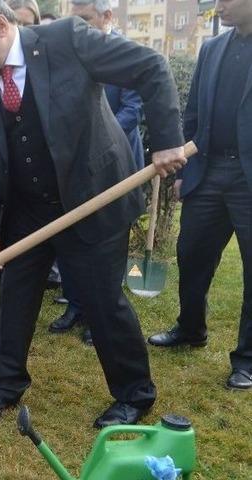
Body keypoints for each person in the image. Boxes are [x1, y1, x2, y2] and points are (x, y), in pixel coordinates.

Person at [0, 0, 186, 427]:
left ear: (1, 26)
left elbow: (150, 66)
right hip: (28, 208)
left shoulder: (66, 40)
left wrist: (167, 139)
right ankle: (4, 386)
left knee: (102, 300)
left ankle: (134, 393)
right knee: (15, 297)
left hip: (90, 197)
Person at [148, 0, 252, 391]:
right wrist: (185, 171)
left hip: (248, 178)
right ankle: (190, 329)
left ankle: (247, 359)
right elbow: (192, 114)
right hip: (208, 170)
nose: (217, 6)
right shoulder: (212, 49)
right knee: (191, 254)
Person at [51, 0, 147, 345]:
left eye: (85, 19)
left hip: (115, 167)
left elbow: (133, 110)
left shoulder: (124, 52)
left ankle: (101, 315)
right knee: (71, 235)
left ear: (107, 16)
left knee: (108, 242)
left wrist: (95, 143)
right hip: (74, 166)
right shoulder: (70, 54)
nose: (77, 28)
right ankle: (75, 305)